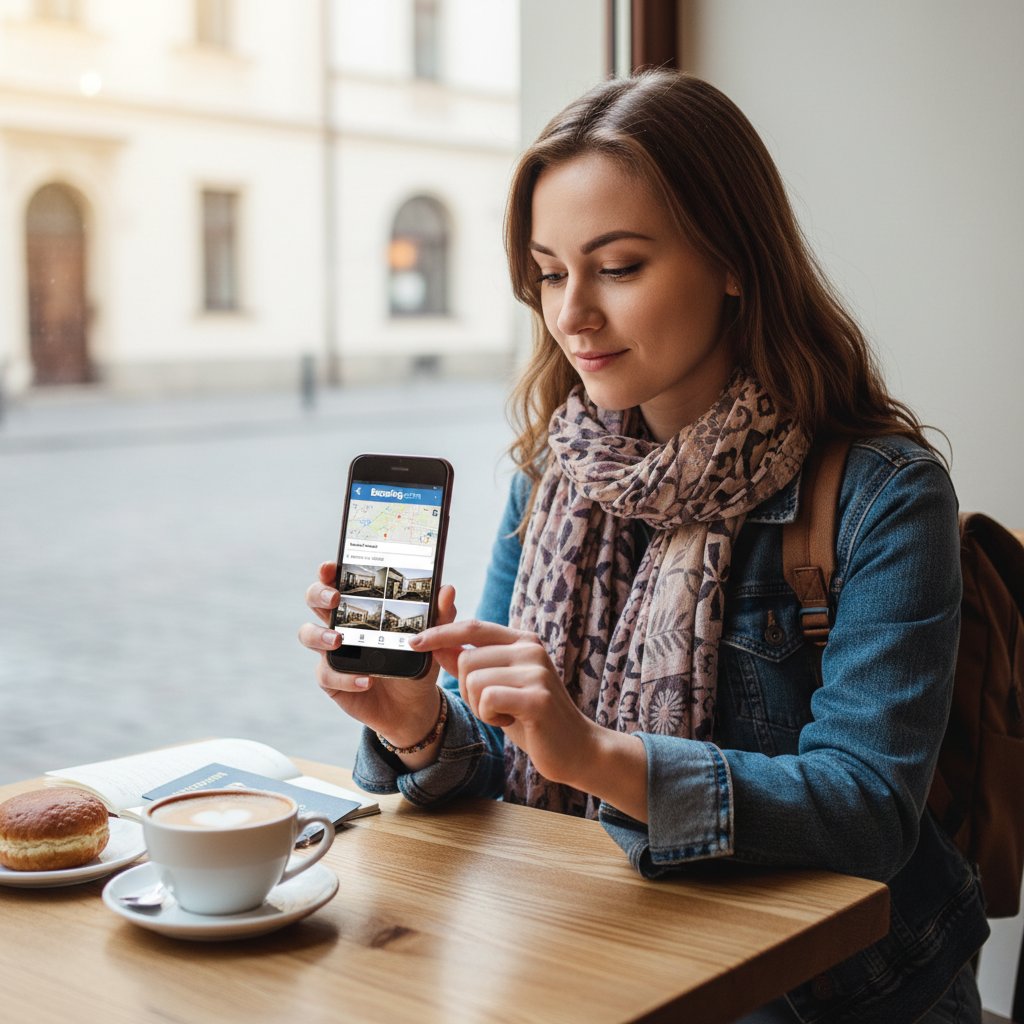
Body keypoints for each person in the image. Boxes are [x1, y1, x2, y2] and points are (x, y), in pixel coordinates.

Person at [299, 71, 988, 1023]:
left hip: (826, 996)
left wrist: (597, 756)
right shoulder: (554, 473)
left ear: (734, 260)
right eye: (548, 272)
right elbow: (495, 765)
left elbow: (869, 810)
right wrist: (416, 719)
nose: (572, 313)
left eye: (618, 267)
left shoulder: (882, 493)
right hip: (589, 956)